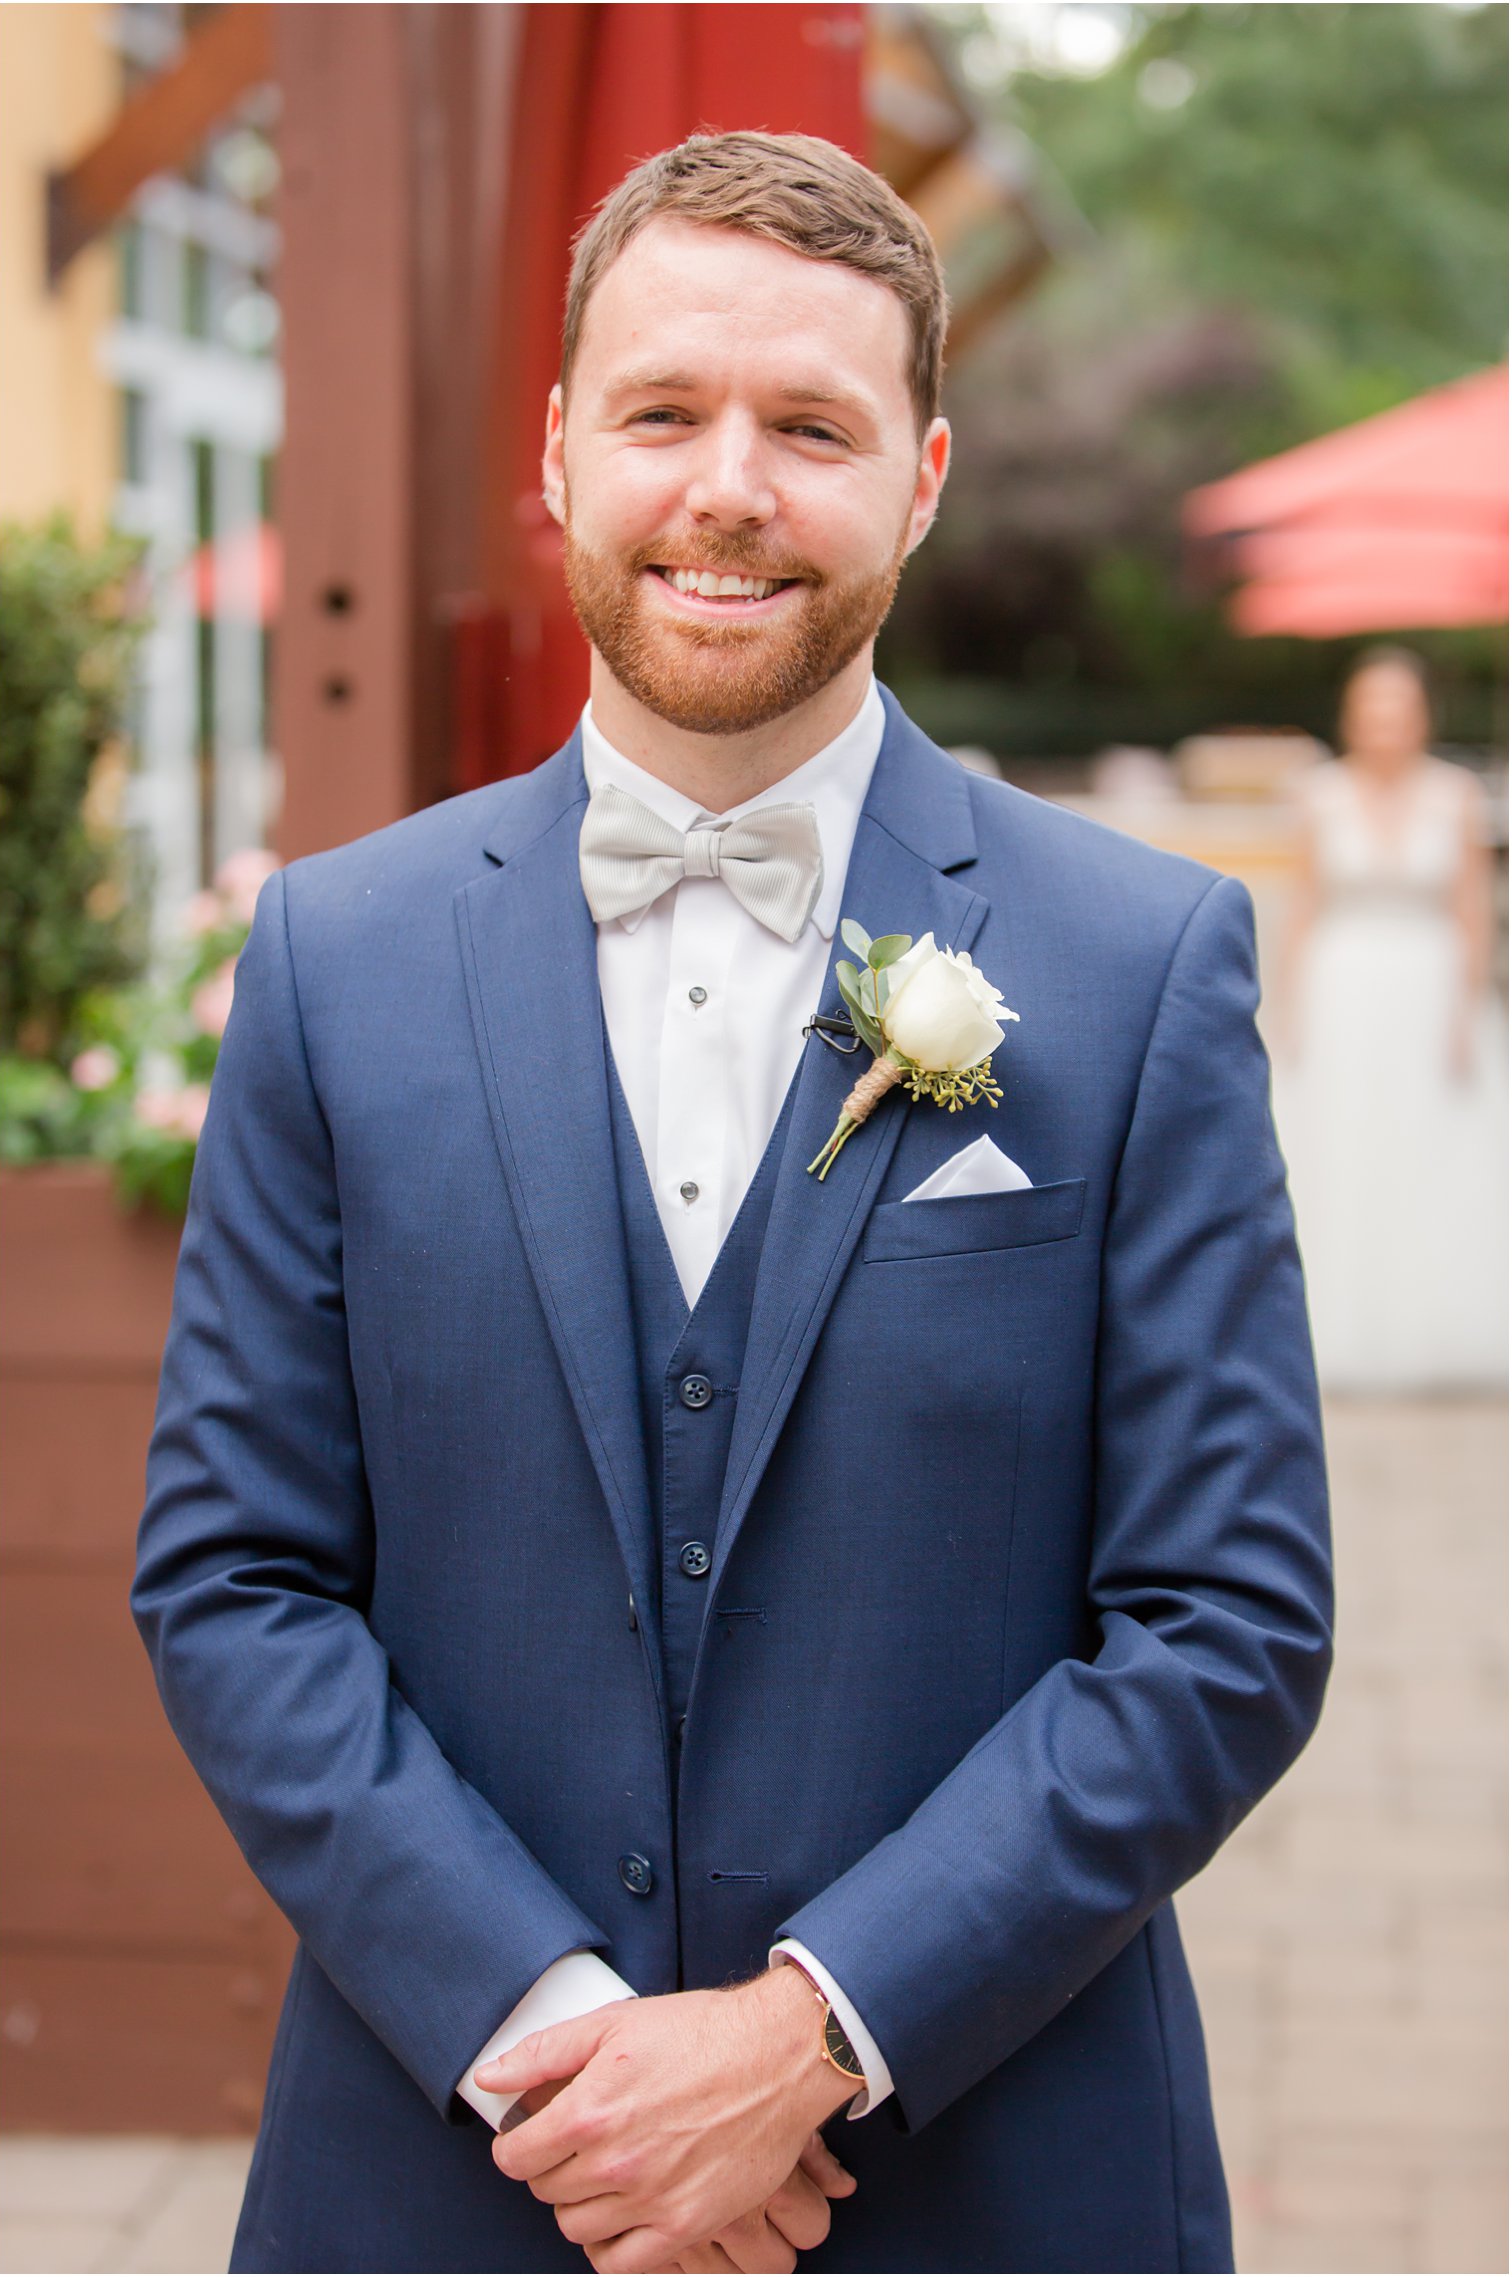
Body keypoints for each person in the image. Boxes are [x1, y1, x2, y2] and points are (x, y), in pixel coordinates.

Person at [132, 132, 1333, 2276]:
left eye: (811, 426)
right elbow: (237, 1576)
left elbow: (1224, 1618)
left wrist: (807, 2036)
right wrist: (564, 2044)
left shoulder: (1143, 967)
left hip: (987, 2178)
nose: (728, 490)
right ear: (561, 447)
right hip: (456, 2172)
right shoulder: (337, 957)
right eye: (665, 411)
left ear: (927, 474)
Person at [1272, 646, 1507, 1391]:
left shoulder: (1455, 794)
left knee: (1430, 1143)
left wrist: (1468, 1008)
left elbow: (1473, 911)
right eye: (1372, 706)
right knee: (1343, 1143)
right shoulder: (1320, 794)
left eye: (1398, 707)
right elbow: (1302, 906)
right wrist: (1288, 1008)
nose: (1385, 722)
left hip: (1426, 986)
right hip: (1345, 989)